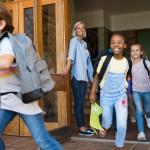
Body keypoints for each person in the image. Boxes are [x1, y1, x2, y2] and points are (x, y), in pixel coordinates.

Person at [0, 4, 63, 150]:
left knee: (43, 141)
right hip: (4, 101)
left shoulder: (6, 42)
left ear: (1, 24)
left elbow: (6, 61)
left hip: (22, 100)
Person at [89, 32, 129, 150]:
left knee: (122, 124)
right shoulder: (105, 59)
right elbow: (97, 76)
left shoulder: (127, 61)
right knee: (107, 120)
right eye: (112, 42)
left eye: (119, 42)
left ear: (124, 45)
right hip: (106, 95)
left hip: (121, 95)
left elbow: (127, 76)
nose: (116, 45)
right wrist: (92, 92)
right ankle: (105, 126)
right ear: (110, 45)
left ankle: (118, 145)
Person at [61, 21, 94, 136]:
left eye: (82, 28)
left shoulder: (84, 44)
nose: (80, 30)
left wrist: (91, 77)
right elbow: (71, 54)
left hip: (84, 78)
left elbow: (88, 63)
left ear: (84, 30)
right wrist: (67, 66)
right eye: (78, 28)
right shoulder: (73, 40)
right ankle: (81, 128)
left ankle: (82, 126)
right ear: (75, 30)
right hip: (76, 77)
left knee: (80, 102)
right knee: (79, 102)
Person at [130, 43, 150, 141]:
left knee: (147, 109)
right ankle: (141, 132)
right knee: (139, 110)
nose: (135, 52)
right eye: (133, 50)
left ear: (141, 52)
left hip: (147, 90)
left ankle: (148, 116)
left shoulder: (146, 62)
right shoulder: (129, 64)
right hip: (136, 91)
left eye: (137, 50)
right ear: (130, 53)